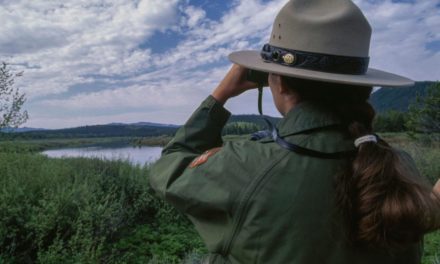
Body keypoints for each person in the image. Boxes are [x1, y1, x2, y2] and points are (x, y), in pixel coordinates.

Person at [150, 0, 440, 263]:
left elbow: (168, 167)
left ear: (281, 84)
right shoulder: (400, 166)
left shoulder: (247, 166)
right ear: (362, 86)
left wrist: (220, 95)